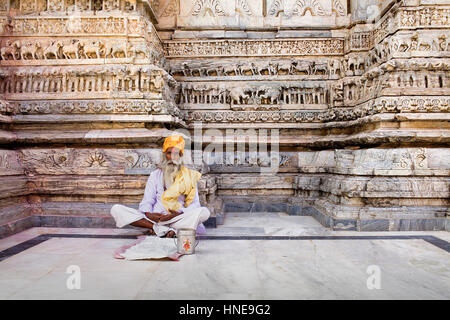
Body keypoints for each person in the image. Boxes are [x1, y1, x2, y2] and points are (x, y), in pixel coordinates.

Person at [110, 135, 210, 238]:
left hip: (178, 218)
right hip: (156, 219)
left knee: (204, 212)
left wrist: (179, 213)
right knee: (116, 209)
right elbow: (147, 201)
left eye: (176, 153)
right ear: (164, 155)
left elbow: (195, 204)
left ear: (180, 155)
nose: (172, 157)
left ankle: (165, 229)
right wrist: (150, 214)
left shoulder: (189, 176)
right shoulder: (155, 174)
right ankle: (159, 228)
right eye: (169, 153)